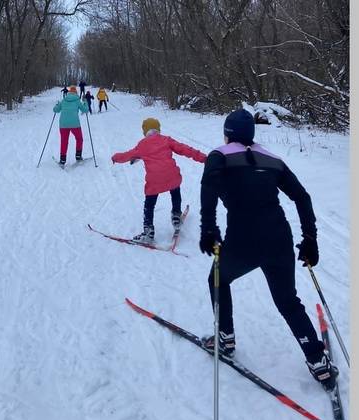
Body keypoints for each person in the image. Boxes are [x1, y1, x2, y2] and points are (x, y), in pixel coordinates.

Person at [197, 108, 338, 390]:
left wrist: (208, 228)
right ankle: (318, 361)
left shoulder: (219, 155)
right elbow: (302, 196)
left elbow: (208, 187)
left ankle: (225, 337)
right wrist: (310, 238)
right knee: (287, 301)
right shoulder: (272, 159)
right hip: (279, 240)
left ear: (228, 134)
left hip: (243, 241)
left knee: (218, 279)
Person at [110, 118, 207, 244]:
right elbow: (185, 149)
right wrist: (204, 158)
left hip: (154, 181)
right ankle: (176, 216)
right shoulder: (166, 140)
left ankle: (148, 231)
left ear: (145, 131)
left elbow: (126, 156)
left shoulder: (142, 145)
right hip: (172, 175)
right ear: (158, 130)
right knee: (175, 191)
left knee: (149, 204)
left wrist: (115, 157)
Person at [52, 86, 89, 165]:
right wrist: (85, 102)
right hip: (75, 124)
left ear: (68, 93)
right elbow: (85, 110)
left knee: (64, 141)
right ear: (76, 93)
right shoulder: (77, 100)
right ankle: (78, 156)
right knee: (79, 139)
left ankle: (62, 160)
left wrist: (57, 105)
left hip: (63, 124)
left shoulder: (63, 100)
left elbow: (56, 110)